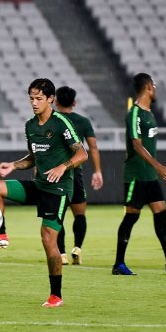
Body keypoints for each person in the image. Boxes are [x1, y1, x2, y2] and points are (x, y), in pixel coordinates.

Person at [0, 78, 88, 307]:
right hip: (39, 184)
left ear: (50, 99)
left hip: (58, 189)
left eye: (39, 99)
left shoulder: (61, 123)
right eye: (31, 99)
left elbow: (82, 154)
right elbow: (32, 158)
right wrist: (13, 165)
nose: (34, 103)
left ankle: (56, 295)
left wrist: (63, 166)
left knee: (48, 241)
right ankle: (0, 234)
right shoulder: (30, 125)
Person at [112, 73, 166, 276]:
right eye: (155, 86)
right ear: (149, 87)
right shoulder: (134, 114)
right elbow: (137, 144)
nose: (156, 90)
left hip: (149, 176)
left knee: (161, 212)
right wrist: (158, 166)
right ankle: (118, 264)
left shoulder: (149, 113)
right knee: (131, 217)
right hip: (136, 175)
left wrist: (154, 169)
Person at [54, 86, 104, 265]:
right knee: (80, 214)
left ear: (55, 101)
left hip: (56, 173)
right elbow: (93, 148)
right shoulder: (83, 122)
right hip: (75, 174)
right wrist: (97, 171)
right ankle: (77, 248)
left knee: (56, 216)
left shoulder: (52, 120)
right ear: (74, 102)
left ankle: (61, 254)